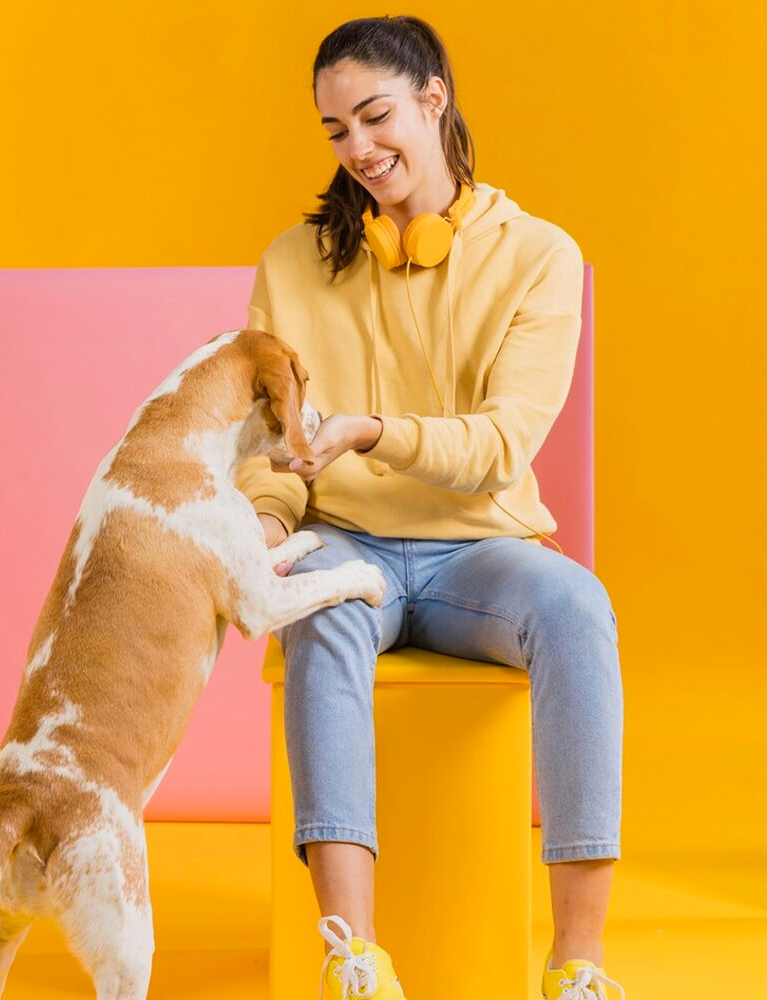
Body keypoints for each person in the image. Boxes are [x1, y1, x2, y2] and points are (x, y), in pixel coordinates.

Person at [237, 15, 625, 1000]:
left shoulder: (537, 256)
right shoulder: (292, 263)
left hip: (478, 552)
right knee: (322, 603)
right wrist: (266, 529)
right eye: (335, 130)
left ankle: (577, 962)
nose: (357, 148)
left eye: (375, 117)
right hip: (344, 539)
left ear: (433, 100)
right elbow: (274, 450)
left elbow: (501, 447)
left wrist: (372, 431)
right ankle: (354, 957)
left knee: (577, 607)